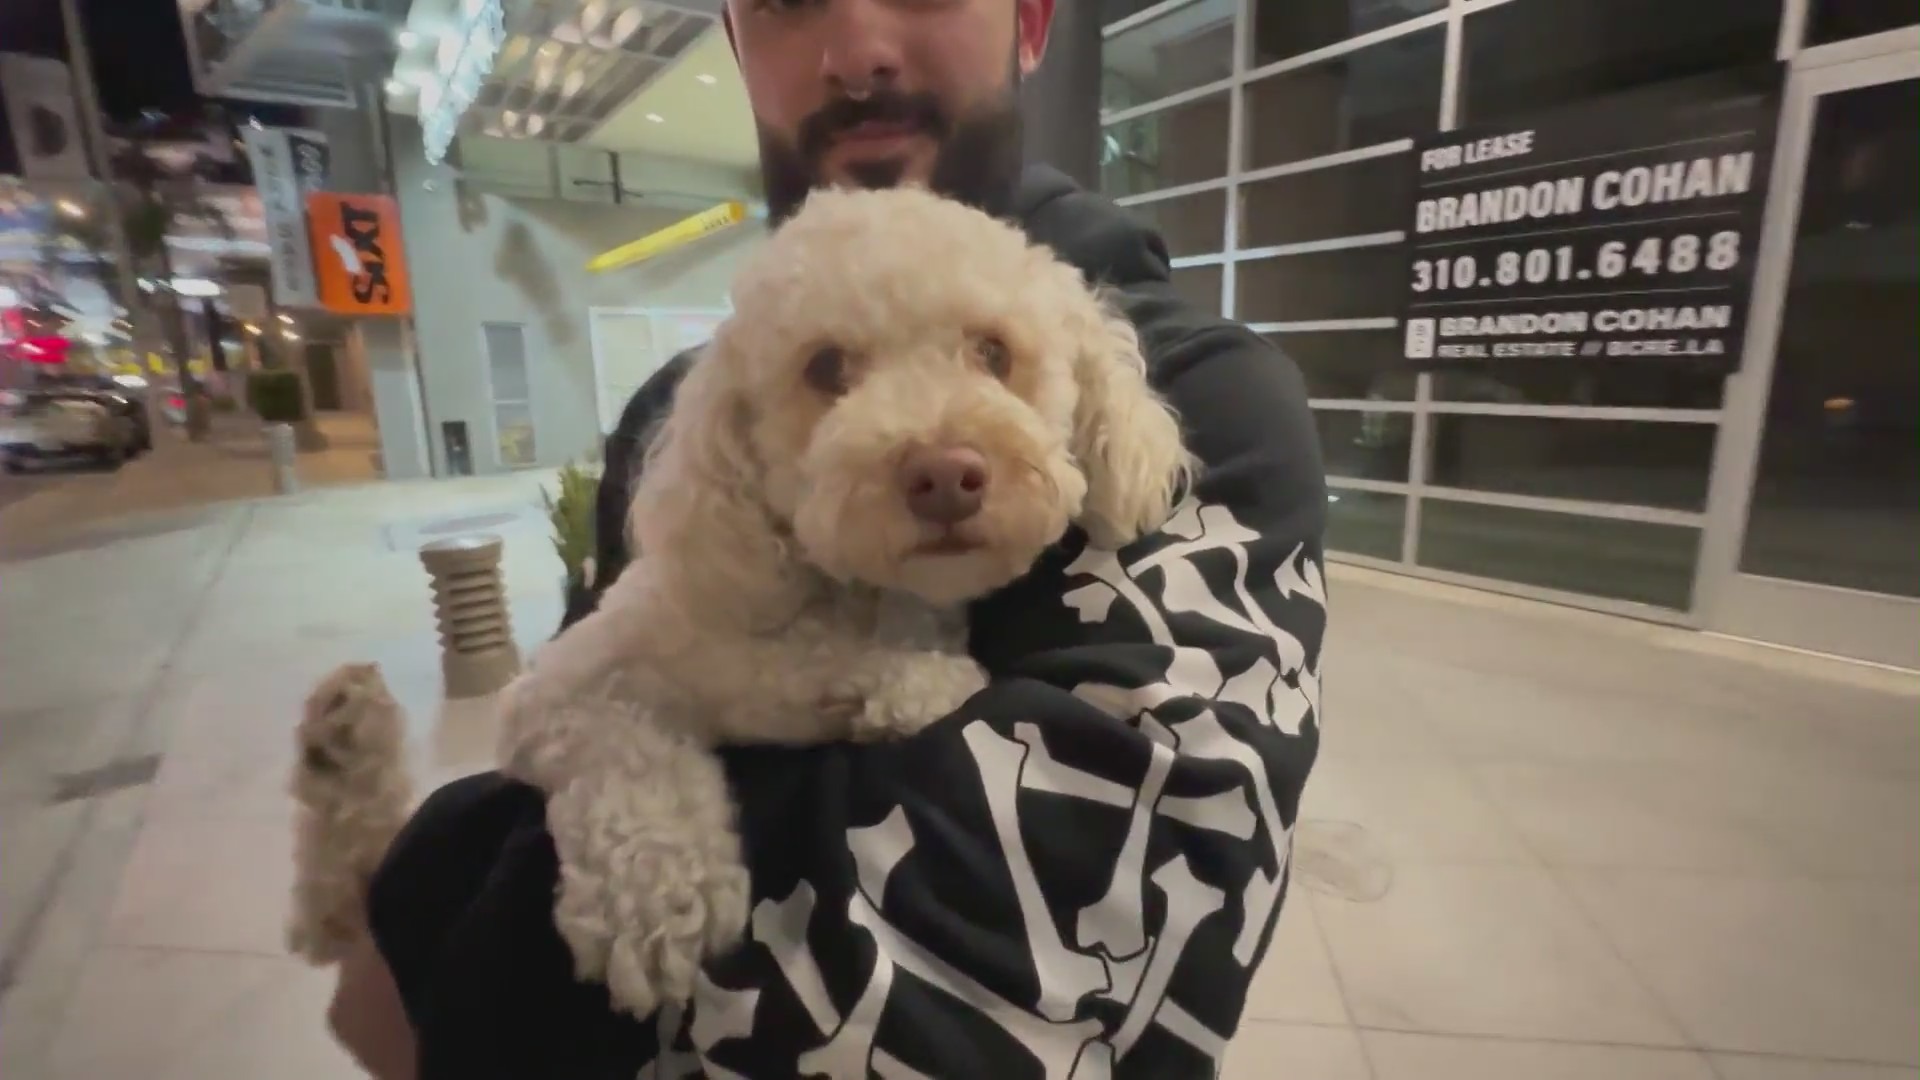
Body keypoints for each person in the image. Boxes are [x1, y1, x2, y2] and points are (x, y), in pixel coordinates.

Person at [333, 0, 1328, 1073]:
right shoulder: (687, 415)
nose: (858, 52)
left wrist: (439, 906)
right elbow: (567, 738)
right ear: (733, 36)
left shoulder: (1219, 408)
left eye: (990, 355)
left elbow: (999, 993)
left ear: (1034, 17)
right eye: (787, 1)